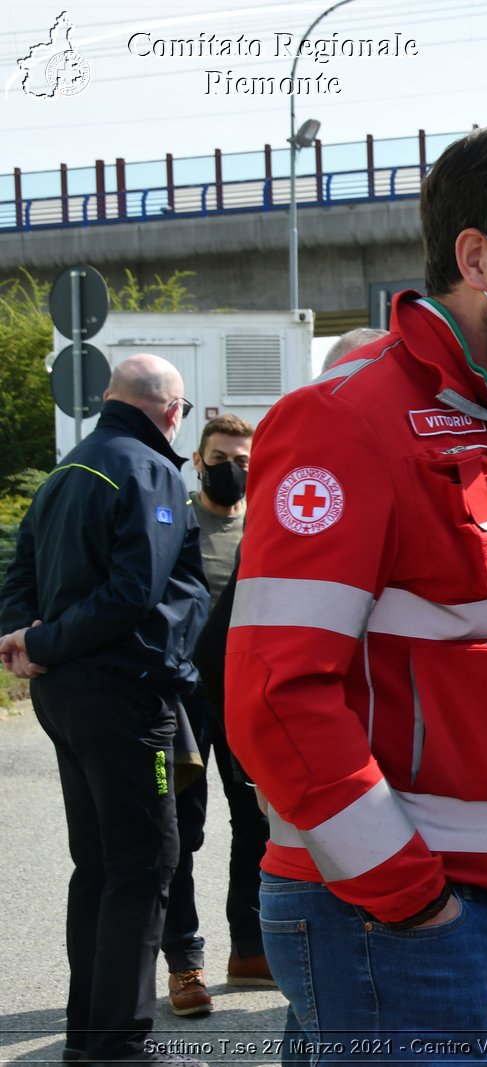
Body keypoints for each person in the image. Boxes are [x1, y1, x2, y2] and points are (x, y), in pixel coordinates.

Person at [225, 121, 487, 1061]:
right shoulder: (351, 421)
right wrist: (410, 893)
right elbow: (276, 694)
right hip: (393, 912)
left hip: (471, 902)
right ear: (475, 256)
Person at [1, 353, 210, 1067]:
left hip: (66, 695)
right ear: (173, 411)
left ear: (108, 398)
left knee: (97, 865)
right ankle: (118, 1042)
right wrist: (45, 640)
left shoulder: (70, 467)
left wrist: (25, 640)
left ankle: (89, 1036)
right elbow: (135, 592)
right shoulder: (149, 469)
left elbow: (20, 569)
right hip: (123, 696)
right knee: (143, 861)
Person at [154, 414, 262, 1018]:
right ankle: (184, 962)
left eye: (244, 460)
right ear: (198, 461)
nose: (233, 469)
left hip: (245, 695)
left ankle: (249, 949)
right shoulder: (173, 523)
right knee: (180, 833)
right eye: (222, 457)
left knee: (257, 825)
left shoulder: (270, 524)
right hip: (183, 701)